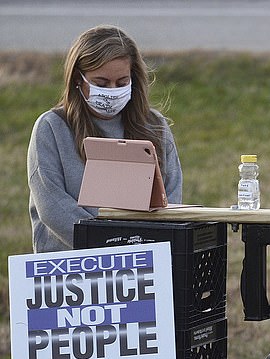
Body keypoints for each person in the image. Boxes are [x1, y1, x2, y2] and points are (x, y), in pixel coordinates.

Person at [27, 25, 183, 253]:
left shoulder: (155, 125)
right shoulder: (51, 127)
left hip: (141, 262)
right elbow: (52, 206)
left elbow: (171, 198)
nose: (112, 90)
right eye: (101, 84)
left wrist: (138, 247)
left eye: (121, 83)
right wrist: (109, 248)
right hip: (70, 263)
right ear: (78, 80)